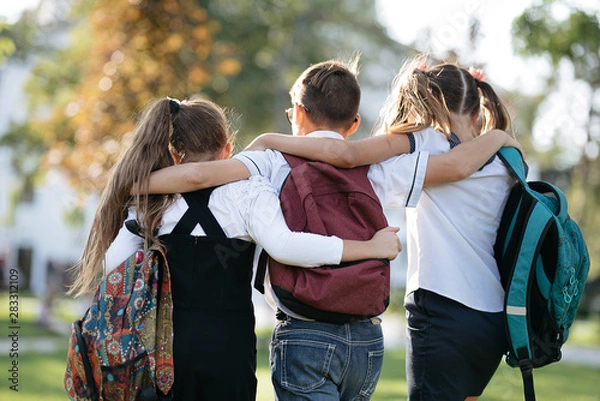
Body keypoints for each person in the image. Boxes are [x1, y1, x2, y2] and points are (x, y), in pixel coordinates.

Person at [143, 58, 521, 401]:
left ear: (299, 114)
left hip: (305, 331)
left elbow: (201, 175)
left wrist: (133, 182)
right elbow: (446, 167)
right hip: (367, 338)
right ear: (354, 123)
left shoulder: (271, 160)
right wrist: (498, 137)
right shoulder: (381, 169)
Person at [68, 96, 402, 401]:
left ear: (172, 153)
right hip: (229, 350)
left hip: (164, 354)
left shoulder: (150, 202)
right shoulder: (249, 192)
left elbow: (114, 264)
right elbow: (287, 246)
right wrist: (368, 247)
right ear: (228, 149)